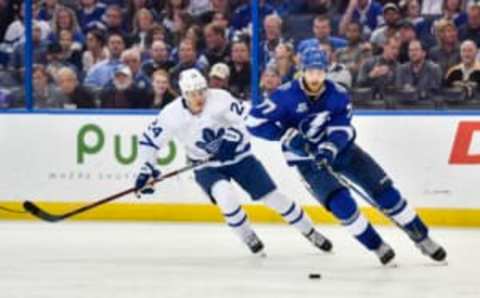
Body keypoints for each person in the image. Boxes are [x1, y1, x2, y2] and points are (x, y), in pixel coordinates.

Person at [247, 47, 447, 265]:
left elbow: (343, 128)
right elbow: (253, 123)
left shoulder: (338, 94)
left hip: (344, 152)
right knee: (342, 206)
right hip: (308, 163)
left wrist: (330, 147)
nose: (315, 77)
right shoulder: (284, 96)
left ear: (327, 71)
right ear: (302, 71)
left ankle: (422, 237)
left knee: (386, 193)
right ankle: (376, 245)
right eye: (311, 71)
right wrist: (285, 136)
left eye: (320, 71)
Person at [133, 68, 333, 255]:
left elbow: (249, 118)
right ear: (184, 94)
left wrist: (233, 137)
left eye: (201, 91)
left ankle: (309, 231)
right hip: (206, 166)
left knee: (273, 197)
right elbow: (149, 142)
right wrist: (145, 168)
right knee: (225, 197)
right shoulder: (171, 114)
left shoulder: (220, 98)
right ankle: (248, 236)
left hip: (240, 158)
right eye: (193, 94)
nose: (199, 97)